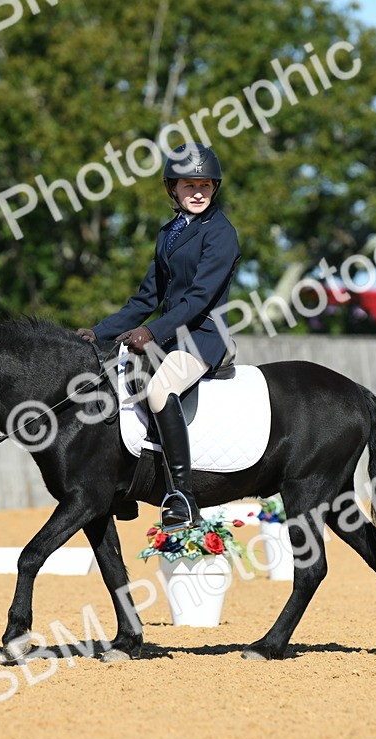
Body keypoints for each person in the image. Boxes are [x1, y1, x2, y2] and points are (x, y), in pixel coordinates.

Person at [76, 142, 240, 530]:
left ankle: (181, 496)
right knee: (112, 386)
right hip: (167, 336)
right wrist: (98, 333)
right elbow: (146, 298)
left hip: (203, 337)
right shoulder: (168, 233)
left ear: (214, 187)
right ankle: (124, 485)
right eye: (188, 185)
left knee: (158, 391)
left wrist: (151, 331)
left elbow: (199, 298)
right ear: (173, 189)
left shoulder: (221, 234)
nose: (197, 192)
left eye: (204, 185)